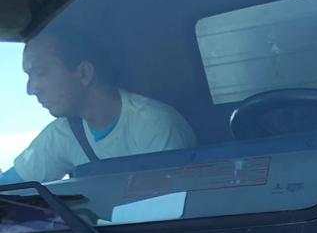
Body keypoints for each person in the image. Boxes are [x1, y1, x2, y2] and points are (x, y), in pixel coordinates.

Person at [1, 30, 195, 185]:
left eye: (41, 73)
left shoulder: (154, 124)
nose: (31, 89)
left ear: (84, 73)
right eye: (29, 76)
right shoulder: (63, 132)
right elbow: (11, 187)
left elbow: (173, 207)